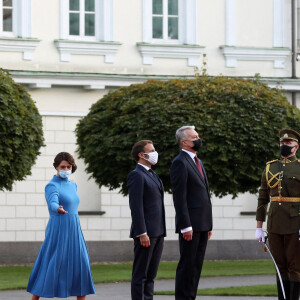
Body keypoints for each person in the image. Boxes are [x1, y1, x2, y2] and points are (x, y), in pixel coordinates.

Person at [27, 152, 95, 300]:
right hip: (59, 227)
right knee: (51, 263)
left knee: (81, 264)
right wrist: (57, 208)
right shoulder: (51, 185)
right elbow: (52, 202)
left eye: (68, 166)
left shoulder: (73, 185)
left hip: (74, 228)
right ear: (56, 167)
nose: (65, 169)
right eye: (62, 167)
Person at [256, 129, 300, 300]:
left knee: (294, 266)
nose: (284, 146)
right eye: (282, 143)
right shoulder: (270, 167)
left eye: (288, 143)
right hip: (274, 223)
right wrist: (259, 227)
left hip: (295, 222)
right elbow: (262, 198)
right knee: (279, 265)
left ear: (296, 147)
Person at [170, 125, 213, 300]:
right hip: (190, 225)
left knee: (196, 266)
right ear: (184, 142)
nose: (198, 139)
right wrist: (185, 225)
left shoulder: (198, 161)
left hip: (203, 223)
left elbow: (204, 195)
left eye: (197, 136)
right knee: (187, 265)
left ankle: (191, 297)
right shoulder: (180, 162)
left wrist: (209, 224)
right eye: (194, 137)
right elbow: (180, 197)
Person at [127, 140, 166, 300]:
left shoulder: (152, 174)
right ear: (141, 155)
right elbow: (136, 207)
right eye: (151, 150)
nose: (155, 153)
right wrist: (142, 232)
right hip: (146, 233)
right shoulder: (136, 175)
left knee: (151, 275)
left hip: (158, 231)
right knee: (140, 275)